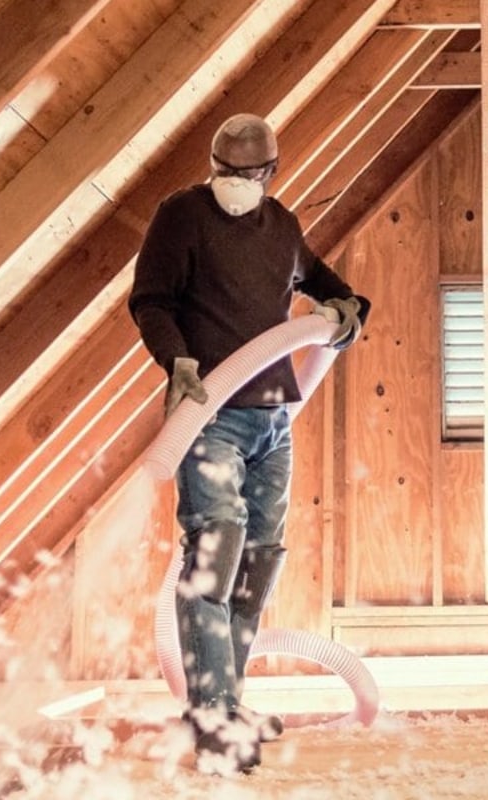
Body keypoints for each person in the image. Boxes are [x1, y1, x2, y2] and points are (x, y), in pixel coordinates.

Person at [127, 113, 369, 774]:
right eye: (227, 173)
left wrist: (347, 312)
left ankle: (226, 705)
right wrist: (176, 361)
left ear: (270, 173)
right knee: (213, 558)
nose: (236, 184)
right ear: (213, 166)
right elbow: (150, 301)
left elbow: (327, 287)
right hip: (211, 416)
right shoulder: (183, 217)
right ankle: (211, 726)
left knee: (258, 562)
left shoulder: (282, 227)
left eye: (248, 175)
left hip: (272, 419)